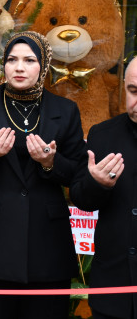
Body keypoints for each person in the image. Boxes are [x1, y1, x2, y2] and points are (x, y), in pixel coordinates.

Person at [0, 31, 87, 319]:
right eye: (12, 60)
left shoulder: (65, 110)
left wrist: (50, 163)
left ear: (43, 66)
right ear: (3, 65)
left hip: (48, 245)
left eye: (29, 60)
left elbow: (78, 172)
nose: (19, 67)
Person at [70, 57, 137, 319]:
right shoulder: (103, 134)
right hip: (112, 289)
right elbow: (80, 198)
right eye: (133, 91)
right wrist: (97, 184)